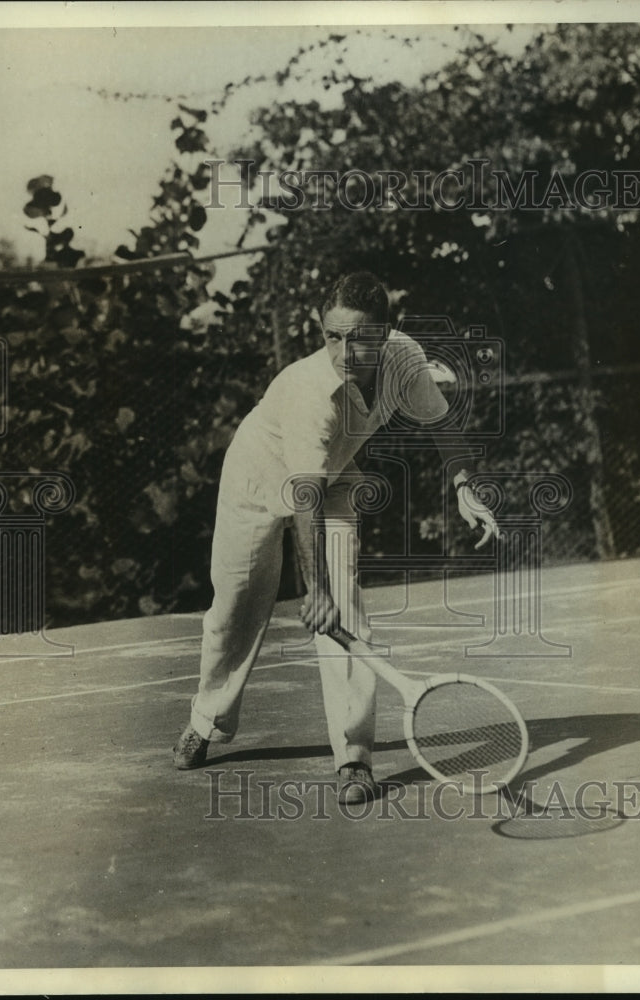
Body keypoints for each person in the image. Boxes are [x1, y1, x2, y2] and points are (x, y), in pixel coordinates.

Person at [173, 271, 498, 803]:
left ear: (387, 333)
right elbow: (302, 497)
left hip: (337, 474)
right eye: (333, 336)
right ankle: (209, 719)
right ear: (321, 331)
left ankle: (353, 757)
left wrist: (463, 482)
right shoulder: (307, 393)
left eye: (361, 337)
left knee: (345, 609)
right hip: (257, 475)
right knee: (235, 610)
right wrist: (312, 588)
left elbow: (441, 422)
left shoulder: (406, 362)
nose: (346, 351)